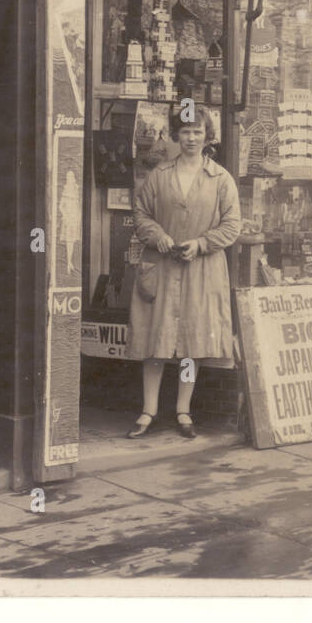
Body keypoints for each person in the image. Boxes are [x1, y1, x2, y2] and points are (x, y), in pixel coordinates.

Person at [125, 105, 242, 439]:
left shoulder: (220, 178)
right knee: (154, 338)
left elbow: (232, 224)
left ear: (207, 137)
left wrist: (202, 243)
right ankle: (148, 411)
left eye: (198, 132)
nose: (192, 138)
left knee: (190, 341)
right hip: (161, 266)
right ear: (176, 135)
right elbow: (141, 214)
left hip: (200, 269)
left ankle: (183, 410)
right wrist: (158, 236)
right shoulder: (159, 175)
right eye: (186, 131)